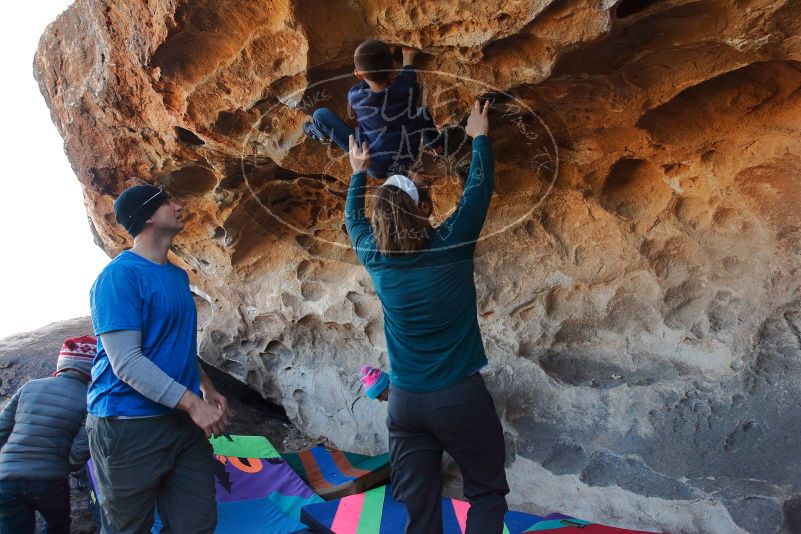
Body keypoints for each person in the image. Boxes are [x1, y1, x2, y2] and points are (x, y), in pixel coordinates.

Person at [344, 100, 509, 533]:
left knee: (418, 507)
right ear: (422, 211)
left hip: (404, 403)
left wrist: (358, 171)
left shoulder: (374, 257)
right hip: (458, 398)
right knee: (486, 493)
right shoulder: (450, 246)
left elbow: (353, 219)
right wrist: (480, 138)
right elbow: (479, 190)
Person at [87, 184, 229, 533]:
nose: (179, 204)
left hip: (180, 422)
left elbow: (175, 346)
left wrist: (205, 387)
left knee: (196, 524)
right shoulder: (119, 277)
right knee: (127, 528)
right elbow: (127, 363)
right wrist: (195, 405)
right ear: (148, 216)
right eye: (168, 201)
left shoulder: (176, 276)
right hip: (127, 425)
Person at [304, 39, 444, 179]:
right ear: (392, 67)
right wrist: (407, 56)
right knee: (421, 113)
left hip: (374, 164)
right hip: (408, 158)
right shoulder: (408, 89)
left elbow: (373, 82)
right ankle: (437, 147)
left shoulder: (356, 96)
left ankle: (320, 134)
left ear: (358, 75)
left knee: (320, 115)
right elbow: (407, 74)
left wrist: (377, 61)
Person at [0, 336, 96, 533]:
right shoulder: (89, 399)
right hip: (49, 480)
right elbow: (82, 446)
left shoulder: (29, 387)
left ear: (62, 362)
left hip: (6, 479)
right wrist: (66, 465)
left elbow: (2, 427)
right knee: (57, 526)